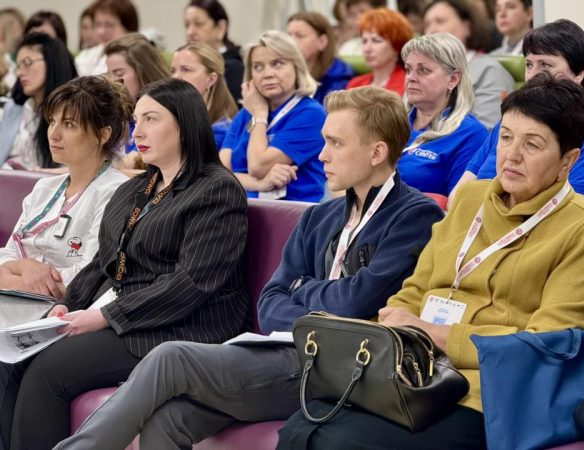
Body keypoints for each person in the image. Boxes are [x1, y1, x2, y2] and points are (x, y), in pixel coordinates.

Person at [54, 85, 445, 450]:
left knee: (170, 357)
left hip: (344, 369)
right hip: (288, 354)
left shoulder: (414, 215)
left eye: (335, 143)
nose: (322, 155)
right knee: (169, 419)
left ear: (377, 153)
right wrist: (312, 302)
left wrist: (302, 289)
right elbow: (270, 303)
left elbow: (357, 300)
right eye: (324, 140)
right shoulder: (319, 217)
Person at [278, 74, 584, 450]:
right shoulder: (472, 198)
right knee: (304, 425)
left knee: (339, 441)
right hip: (416, 373)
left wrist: (431, 333)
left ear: (568, 161)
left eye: (532, 144)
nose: (511, 155)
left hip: (489, 395)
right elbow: (417, 287)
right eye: (506, 137)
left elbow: (544, 345)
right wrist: (399, 324)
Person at [1, 78, 249, 449]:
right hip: (129, 319)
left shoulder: (216, 189)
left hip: (182, 327)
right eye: (136, 121)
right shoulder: (136, 189)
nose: (138, 132)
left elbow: (191, 283)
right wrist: (64, 308)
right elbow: (102, 265)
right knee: (13, 359)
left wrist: (105, 316)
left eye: (151, 119)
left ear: (184, 124)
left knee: (48, 371)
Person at [0, 76, 130, 300]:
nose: (54, 134)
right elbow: (8, 253)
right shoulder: (44, 188)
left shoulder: (116, 192)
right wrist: (25, 267)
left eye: (69, 124)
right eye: (52, 121)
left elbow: (88, 277)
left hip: (63, 308)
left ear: (103, 134)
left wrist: (11, 279)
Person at [450, 19, 584, 208]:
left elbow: (572, 213)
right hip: (475, 221)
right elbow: (457, 197)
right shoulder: (509, 122)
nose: (531, 76)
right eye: (529, 65)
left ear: (579, 73)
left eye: (545, 65)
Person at [220, 30, 326, 202]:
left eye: (277, 64)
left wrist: (259, 116)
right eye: (258, 66)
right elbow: (220, 174)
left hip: (291, 211)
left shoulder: (311, 114)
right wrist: (260, 184)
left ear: (296, 66)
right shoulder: (246, 113)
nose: (267, 74)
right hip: (241, 206)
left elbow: (257, 167)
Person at [399, 33, 488, 196]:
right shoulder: (392, 121)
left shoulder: (471, 135)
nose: (411, 78)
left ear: (453, 79)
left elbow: (457, 206)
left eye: (423, 70)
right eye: (408, 69)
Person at [423, 0, 514, 129]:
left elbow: (487, 133)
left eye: (440, 21)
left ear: (466, 27)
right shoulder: (421, 74)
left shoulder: (489, 71)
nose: (431, 31)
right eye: (427, 24)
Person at [0, 32, 77, 170]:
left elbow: (81, 170)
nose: (20, 73)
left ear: (52, 62)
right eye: (18, 66)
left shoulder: (74, 112)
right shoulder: (13, 109)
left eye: (27, 63)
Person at [105, 33, 170, 159]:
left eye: (119, 73)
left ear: (143, 72)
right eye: (109, 74)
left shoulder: (166, 114)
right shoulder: (116, 116)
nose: (112, 81)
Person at [171, 42, 238, 148]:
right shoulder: (172, 122)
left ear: (211, 79)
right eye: (172, 71)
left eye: (186, 69)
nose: (175, 77)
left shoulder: (223, 133)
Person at [287, 11, 354, 105]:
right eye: (289, 35)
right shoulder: (285, 72)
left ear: (322, 42)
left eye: (300, 36)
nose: (291, 42)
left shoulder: (339, 76)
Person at [184, 0, 244, 103]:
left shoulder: (234, 69)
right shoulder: (183, 65)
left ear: (221, 27)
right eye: (187, 25)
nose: (190, 32)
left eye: (198, 24)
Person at [346, 8, 413, 97]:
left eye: (376, 40)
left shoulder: (409, 83)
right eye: (364, 41)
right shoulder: (354, 84)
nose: (367, 48)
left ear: (397, 45)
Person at [75, 0, 138, 76]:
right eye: (98, 24)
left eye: (109, 25)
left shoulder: (137, 58)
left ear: (128, 28)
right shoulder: (87, 55)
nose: (101, 32)